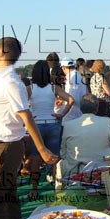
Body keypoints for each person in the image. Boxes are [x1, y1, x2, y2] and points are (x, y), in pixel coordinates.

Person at [0, 37, 58, 219]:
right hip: (4, 146)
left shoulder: (10, 82)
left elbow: (26, 115)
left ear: (3, 54)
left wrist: (41, 149)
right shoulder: (4, 81)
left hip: (4, 147)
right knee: (7, 198)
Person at [56, 95, 110, 180]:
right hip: (100, 171)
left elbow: (63, 153)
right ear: (96, 109)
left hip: (74, 172)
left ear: (81, 109)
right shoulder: (107, 122)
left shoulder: (67, 125)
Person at [27, 60, 74, 196]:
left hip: (37, 124)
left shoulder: (30, 88)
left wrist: (29, 116)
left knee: (36, 157)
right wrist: (62, 114)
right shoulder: (54, 88)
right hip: (53, 122)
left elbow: (21, 104)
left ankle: (34, 189)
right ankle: (58, 187)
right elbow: (71, 100)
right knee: (55, 158)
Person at [60, 57, 87, 122]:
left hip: (72, 115)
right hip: (78, 113)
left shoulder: (72, 78)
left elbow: (72, 99)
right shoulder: (78, 76)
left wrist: (62, 114)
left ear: (63, 67)